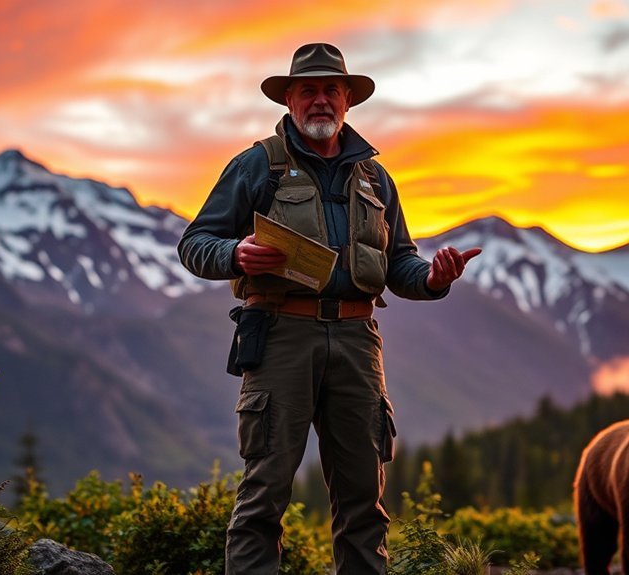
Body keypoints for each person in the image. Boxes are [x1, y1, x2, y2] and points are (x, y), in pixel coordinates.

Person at [177, 42, 481, 574]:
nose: (321, 100)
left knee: (365, 499)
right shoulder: (256, 166)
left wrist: (433, 278)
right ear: (289, 99)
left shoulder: (375, 179)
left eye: (331, 90)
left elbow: (399, 263)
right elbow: (195, 243)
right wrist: (236, 253)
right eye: (309, 90)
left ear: (347, 101)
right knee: (265, 493)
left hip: (358, 342)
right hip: (278, 337)